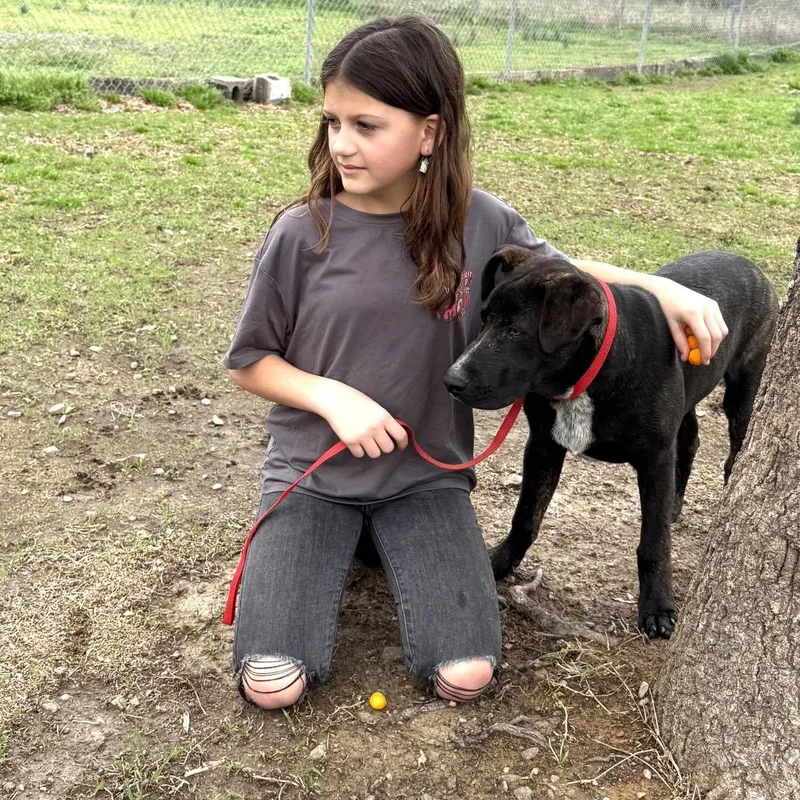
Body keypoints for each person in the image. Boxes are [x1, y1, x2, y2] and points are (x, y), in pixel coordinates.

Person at [223, 13, 728, 710]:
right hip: (312, 479)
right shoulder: (301, 232)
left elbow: (567, 271)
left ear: (429, 132)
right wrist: (334, 398)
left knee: (466, 674)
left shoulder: (483, 222)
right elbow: (249, 362)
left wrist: (662, 286)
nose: (342, 144)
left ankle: (389, 543)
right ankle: (332, 543)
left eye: (367, 126)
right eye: (333, 122)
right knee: (272, 684)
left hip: (426, 482)